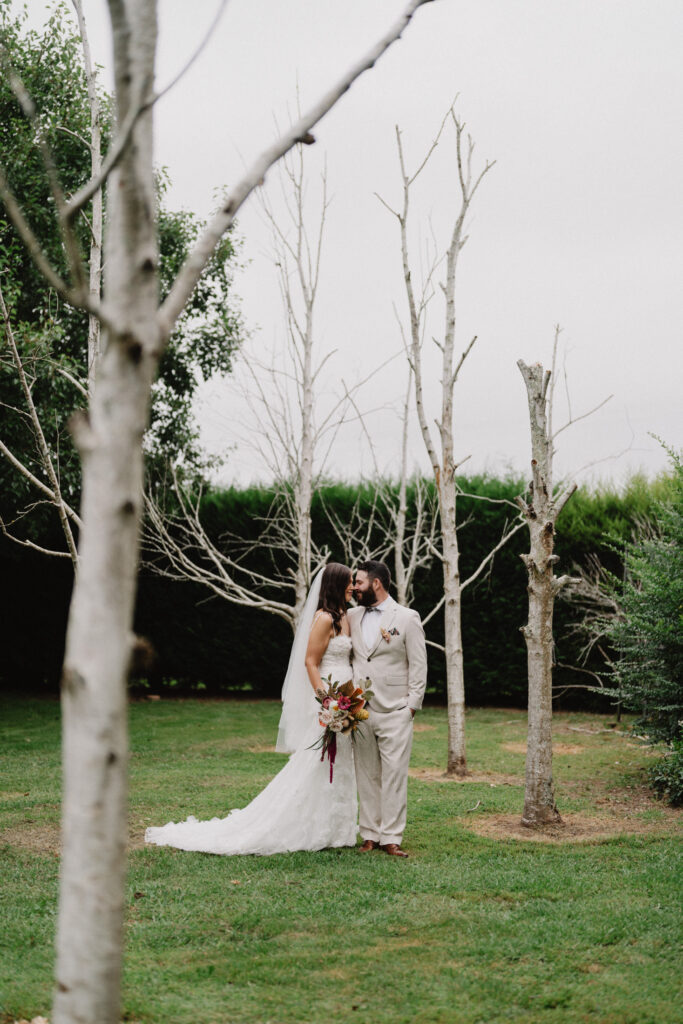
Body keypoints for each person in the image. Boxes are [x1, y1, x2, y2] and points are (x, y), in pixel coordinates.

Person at [145, 563, 359, 855]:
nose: (353, 587)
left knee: (340, 763)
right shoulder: (323, 619)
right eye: (348, 583)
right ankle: (306, 825)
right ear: (335, 585)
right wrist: (327, 701)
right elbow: (310, 662)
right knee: (317, 763)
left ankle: (338, 829)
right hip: (329, 700)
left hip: (348, 699)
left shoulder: (345, 616)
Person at [349, 559, 427, 858]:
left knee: (394, 775)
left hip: (396, 710)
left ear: (376, 583)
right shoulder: (352, 617)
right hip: (359, 709)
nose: (355, 588)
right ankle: (369, 834)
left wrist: (411, 706)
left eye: (359, 582)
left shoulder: (407, 618)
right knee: (366, 775)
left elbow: (419, 663)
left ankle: (391, 837)